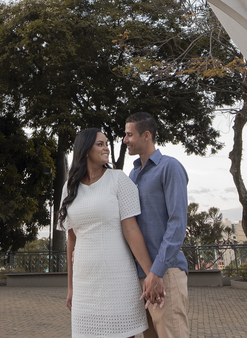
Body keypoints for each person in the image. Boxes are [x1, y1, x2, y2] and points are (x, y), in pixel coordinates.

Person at [60, 128, 156, 338]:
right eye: (100, 144)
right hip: (84, 283)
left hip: (117, 280)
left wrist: (151, 274)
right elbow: (71, 240)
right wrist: (71, 287)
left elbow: (131, 229)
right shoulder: (70, 188)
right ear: (85, 149)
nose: (106, 149)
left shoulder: (118, 179)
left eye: (106, 144)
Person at [125, 112, 190, 338]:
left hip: (166, 272)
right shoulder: (133, 174)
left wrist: (156, 271)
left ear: (146, 135)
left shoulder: (170, 167)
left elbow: (177, 223)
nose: (125, 140)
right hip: (142, 275)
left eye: (129, 134)